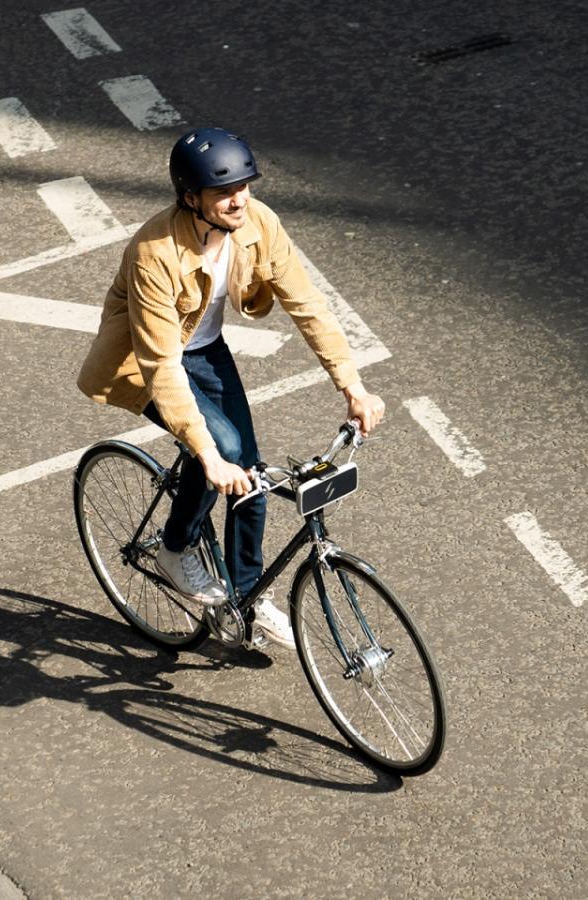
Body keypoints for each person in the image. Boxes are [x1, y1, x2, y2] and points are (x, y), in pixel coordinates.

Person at [77, 127, 385, 648]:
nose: (238, 198)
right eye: (223, 192)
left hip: (205, 348)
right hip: (148, 359)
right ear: (190, 198)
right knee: (222, 451)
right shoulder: (155, 252)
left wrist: (351, 385)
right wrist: (206, 452)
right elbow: (161, 363)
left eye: (244, 185)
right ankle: (176, 548)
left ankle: (246, 598)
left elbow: (307, 304)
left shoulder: (257, 222)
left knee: (253, 475)